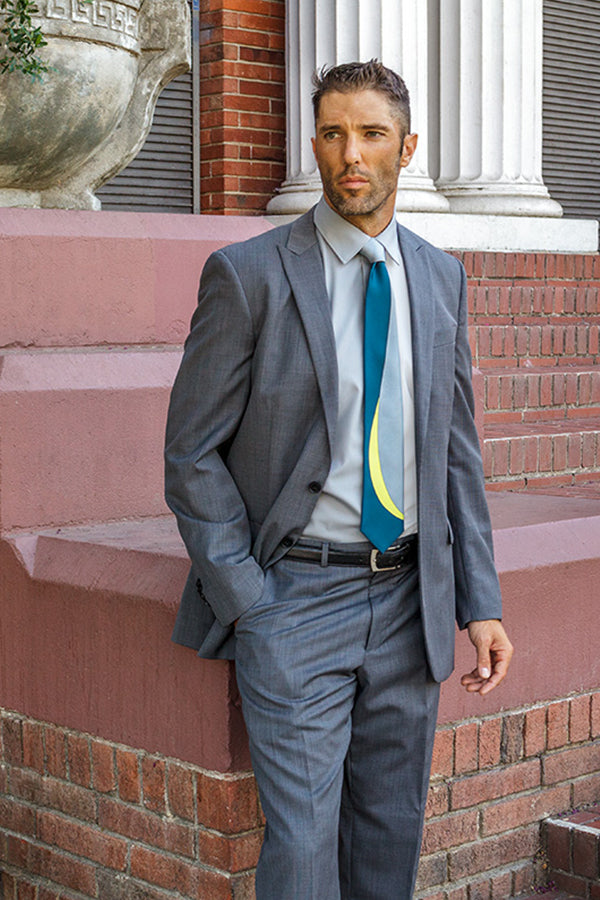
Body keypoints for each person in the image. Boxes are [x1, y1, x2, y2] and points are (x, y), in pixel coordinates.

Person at [165, 59, 513, 900]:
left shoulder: (440, 277)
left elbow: (453, 452)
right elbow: (191, 454)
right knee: (304, 847)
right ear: (314, 146)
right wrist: (250, 600)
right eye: (331, 133)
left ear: (408, 148)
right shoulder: (247, 275)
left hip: (410, 601)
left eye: (371, 134)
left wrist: (481, 601)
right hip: (295, 599)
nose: (350, 153)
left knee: (389, 836)